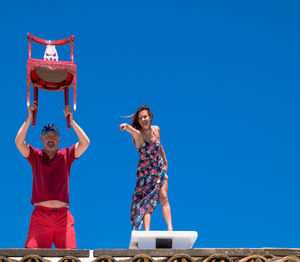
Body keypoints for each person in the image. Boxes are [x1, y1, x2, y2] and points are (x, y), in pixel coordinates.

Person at [15, 102, 90, 249]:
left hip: (63, 217)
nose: (51, 138)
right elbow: (18, 142)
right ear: (42, 139)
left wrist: (72, 121)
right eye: (47, 135)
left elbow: (85, 142)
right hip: (40, 217)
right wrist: (29, 119)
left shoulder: (66, 155)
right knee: (32, 257)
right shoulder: (35, 155)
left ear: (59, 140)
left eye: (54, 136)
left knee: (71, 258)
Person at [119, 105, 173, 231]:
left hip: (159, 168)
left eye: (145, 117)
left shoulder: (156, 129)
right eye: (140, 118)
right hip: (146, 174)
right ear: (138, 121)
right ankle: (147, 232)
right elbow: (133, 131)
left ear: (150, 117)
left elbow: (159, 145)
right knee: (147, 204)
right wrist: (126, 127)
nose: (143, 119)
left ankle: (170, 229)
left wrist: (165, 160)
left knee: (164, 196)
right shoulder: (138, 135)